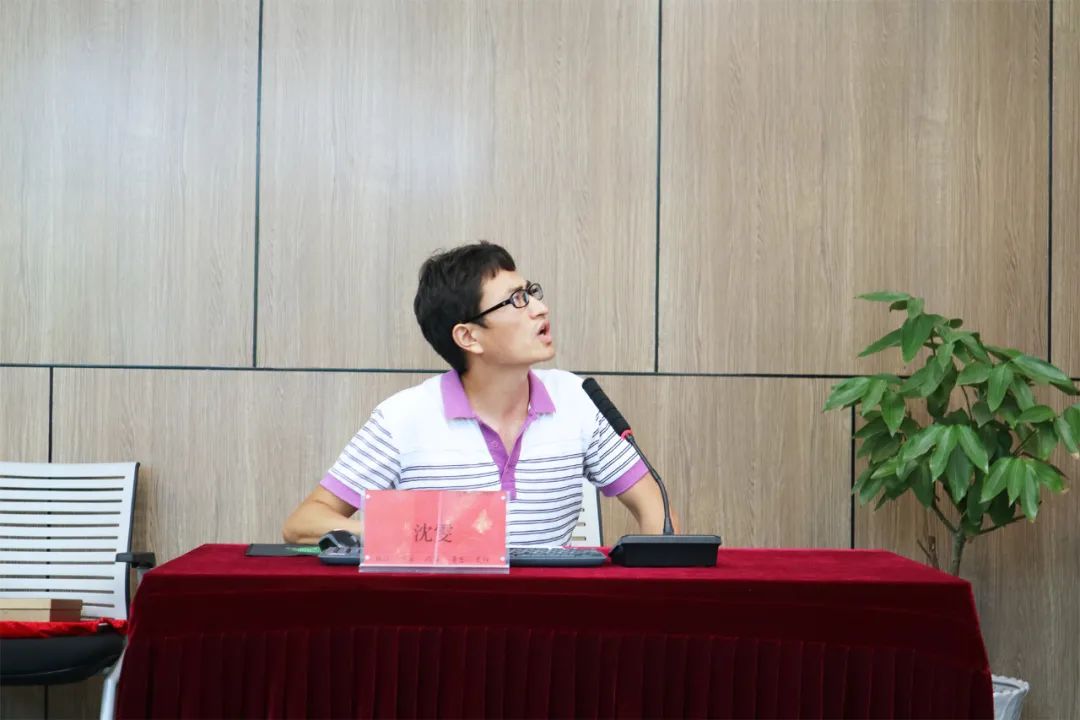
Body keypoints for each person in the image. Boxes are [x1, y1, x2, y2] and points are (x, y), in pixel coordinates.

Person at [283, 241, 671, 546]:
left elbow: (654, 506)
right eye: (517, 300)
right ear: (468, 336)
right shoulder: (403, 419)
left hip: (547, 614)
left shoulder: (578, 398)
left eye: (531, 292)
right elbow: (303, 523)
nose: (540, 308)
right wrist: (411, 533)